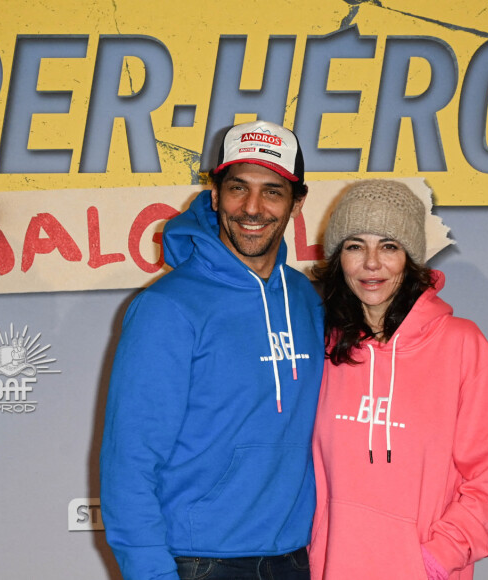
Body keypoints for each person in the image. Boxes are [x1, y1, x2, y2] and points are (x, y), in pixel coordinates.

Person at [100, 120, 324, 580]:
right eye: (238, 188)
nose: (253, 208)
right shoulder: (167, 308)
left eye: (273, 192)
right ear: (215, 193)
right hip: (199, 562)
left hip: (294, 558)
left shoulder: (306, 299)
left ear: (296, 203)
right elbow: (130, 461)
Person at [308, 180, 488, 580]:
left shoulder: (462, 345)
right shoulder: (323, 344)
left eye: (388, 246)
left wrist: (432, 560)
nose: (371, 263)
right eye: (355, 246)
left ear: (410, 258)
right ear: (338, 258)